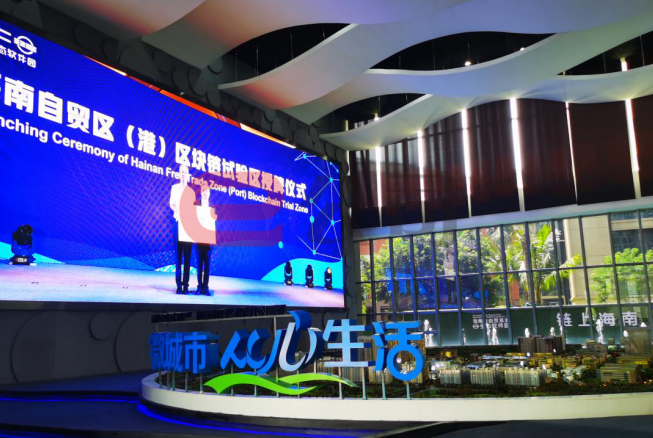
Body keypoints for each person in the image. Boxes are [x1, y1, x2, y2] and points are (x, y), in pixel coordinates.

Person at [169, 165, 193, 294]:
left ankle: (186, 285)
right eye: (181, 172)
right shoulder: (175, 188)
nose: (183, 174)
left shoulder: (192, 191)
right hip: (178, 223)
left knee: (187, 257)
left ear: (188, 175)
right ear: (179, 174)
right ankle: (179, 285)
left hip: (188, 225)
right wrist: (177, 209)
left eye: (185, 172)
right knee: (178, 256)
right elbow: (171, 204)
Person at [195, 182, 215, 296]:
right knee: (199, 265)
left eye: (207, 191)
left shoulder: (212, 207)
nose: (205, 193)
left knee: (207, 266)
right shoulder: (196, 205)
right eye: (203, 191)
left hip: (208, 242)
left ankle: (205, 287)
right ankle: (199, 287)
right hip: (198, 240)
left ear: (209, 193)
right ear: (201, 192)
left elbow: (214, 223)